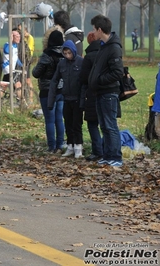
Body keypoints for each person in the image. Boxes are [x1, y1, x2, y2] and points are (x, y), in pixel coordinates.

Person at [88, 14, 124, 167]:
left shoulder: (114, 48)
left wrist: (99, 80)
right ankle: (107, 154)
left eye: (94, 29)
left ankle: (116, 156)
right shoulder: (104, 46)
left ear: (100, 30)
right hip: (100, 92)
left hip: (108, 92)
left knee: (110, 126)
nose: (93, 32)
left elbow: (117, 72)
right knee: (104, 126)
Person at [48, 40, 84, 158]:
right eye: (65, 53)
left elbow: (84, 82)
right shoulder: (62, 64)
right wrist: (51, 100)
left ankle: (78, 147)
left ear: (73, 51)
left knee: (76, 124)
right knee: (67, 123)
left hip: (77, 98)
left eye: (69, 53)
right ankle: (70, 145)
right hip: (66, 98)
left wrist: (83, 99)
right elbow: (55, 80)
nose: (68, 55)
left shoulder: (80, 62)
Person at [32, 29, 64, 153]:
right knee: (59, 119)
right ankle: (60, 145)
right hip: (61, 90)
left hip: (47, 91)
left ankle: (51, 147)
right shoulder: (65, 54)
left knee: (49, 120)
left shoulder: (47, 56)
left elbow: (35, 73)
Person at [79, 32, 103, 161]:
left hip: (92, 93)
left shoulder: (89, 57)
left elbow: (83, 78)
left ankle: (97, 151)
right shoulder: (106, 52)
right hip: (106, 92)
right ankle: (108, 149)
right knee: (106, 124)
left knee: (92, 124)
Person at [2, 28, 23, 99]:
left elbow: (15, 58)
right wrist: (10, 41)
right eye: (16, 37)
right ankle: (22, 102)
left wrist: (22, 65)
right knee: (18, 84)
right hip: (8, 68)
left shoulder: (15, 46)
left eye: (19, 36)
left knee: (4, 86)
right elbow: (7, 50)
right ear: (12, 37)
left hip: (11, 69)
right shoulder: (7, 45)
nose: (18, 38)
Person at [17, 25, 35, 104]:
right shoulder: (22, 39)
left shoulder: (29, 38)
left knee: (27, 80)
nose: (19, 32)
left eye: (21, 30)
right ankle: (23, 97)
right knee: (22, 80)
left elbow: (28, 49)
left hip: (27, 60)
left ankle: (31, 98)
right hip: (22, 60)